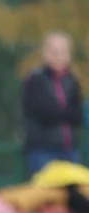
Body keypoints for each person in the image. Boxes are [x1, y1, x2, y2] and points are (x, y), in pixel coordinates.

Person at [21, 32, 84, 177]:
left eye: (63, 52)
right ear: (45, 53)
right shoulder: (35, 79)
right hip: (42, 149)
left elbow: (77, 114)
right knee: (44, 192)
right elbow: (43, 112)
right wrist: (65, 113)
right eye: (54, 52)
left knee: (71, 194)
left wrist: (61, 113)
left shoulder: (72, 81)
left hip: (69, 148)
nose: (59, 57)